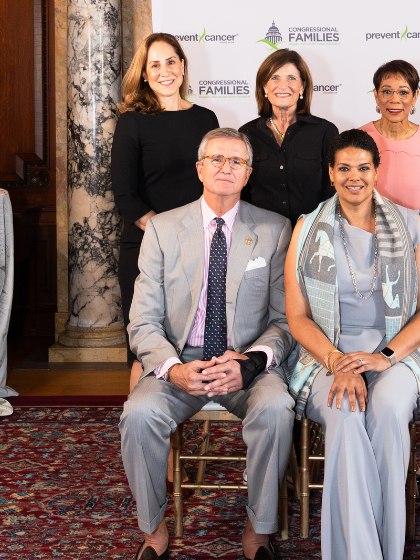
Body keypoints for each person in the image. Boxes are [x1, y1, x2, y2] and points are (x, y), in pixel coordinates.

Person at [119, 128, 295, 560]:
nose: (225, 168)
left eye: (236, 162)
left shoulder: (274, 229)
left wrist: (251, 362)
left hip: (245, 363)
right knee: (138, 414)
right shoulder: (162, 229)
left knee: (276, 409)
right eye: (216, 159)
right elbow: (141, 320)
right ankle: (153, 529)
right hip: (180, 363)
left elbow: (285, 320)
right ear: (199, 168)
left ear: (248, 174)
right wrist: (172, 368)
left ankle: (259, 530)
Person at [284, 129, 420, 559]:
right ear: (331, 173)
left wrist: (384, 356)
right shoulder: (306, 228)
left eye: (364, 168)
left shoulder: (411, 224)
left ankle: (389, 548)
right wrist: (338, 362)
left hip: (397, 354)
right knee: (345, 413)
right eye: (344, 168)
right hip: (327, 354)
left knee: (390, 411)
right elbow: (297, 317)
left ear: (377, 170)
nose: (354, 177)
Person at [112, 32, 220, 390]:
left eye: (170, 62)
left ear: (183, 65)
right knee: (146, 347)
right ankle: (141, 427)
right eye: (154, 65)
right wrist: (167, 235)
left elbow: (217, 183)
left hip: (200, 246)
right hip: (146, 247)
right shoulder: (132, 121)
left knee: (193, 340)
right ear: (144, 74)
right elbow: (125, 194)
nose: (164, 71)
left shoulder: (206, 118)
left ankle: (189, 417)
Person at [240, 49, 339, 224]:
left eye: (291, 78)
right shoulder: (247, 134)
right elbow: (241, 193)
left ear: (302, 87)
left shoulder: (325, 132)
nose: (283, 85)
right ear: (264, 88)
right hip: (262, 236)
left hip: (310, 235)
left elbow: (333, 191)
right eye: (275, 78)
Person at [358, 60, 420, 218]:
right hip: (366, 238)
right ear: (376, 95)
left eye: (403, 92)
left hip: (419, 240)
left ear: (415, 96)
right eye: (387, 92)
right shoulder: (357, 139)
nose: (394, 99)